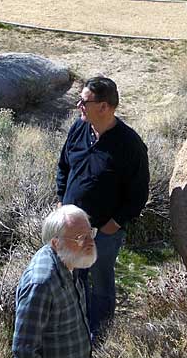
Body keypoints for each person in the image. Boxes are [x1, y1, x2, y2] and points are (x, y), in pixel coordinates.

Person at [56, 76, 149, 340]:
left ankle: (100, 337)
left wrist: (113, 224)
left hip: (103, 233)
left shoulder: (129, 145)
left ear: (105, 107)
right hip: (71, 227)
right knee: (73, 279)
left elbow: (138, 194)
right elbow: (63, 165)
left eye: (84, 101)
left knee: (100, 283)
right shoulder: (79, 129)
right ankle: (76, 330)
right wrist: (62, 198)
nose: (79, 106)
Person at [12, 205, 96, 358]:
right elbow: (24, 348)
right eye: (79, 238)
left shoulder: (68, 263)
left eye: (90, 234)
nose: (89, 242)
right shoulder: (42, 282)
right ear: (55, 242)